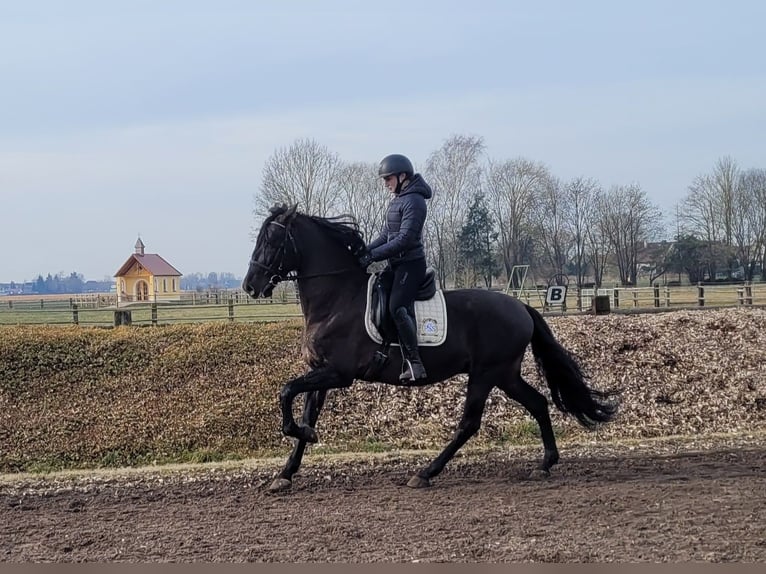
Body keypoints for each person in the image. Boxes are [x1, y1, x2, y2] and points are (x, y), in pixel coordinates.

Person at [357, 154, 433, 382]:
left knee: (397, 307)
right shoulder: (398, 200)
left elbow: (404, 240)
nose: (386, 183)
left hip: (411, 265)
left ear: (402, 176)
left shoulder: (415, 201)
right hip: (396, 265)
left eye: (388, 178)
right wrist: (363, 252)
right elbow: (385, 236)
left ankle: (415, 363)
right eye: (384, 179)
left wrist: (372, 257)